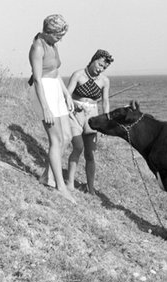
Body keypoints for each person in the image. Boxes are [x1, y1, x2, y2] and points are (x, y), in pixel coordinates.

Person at [28, 14, 75, 203]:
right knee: (56, 140)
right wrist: (45, 108)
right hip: (43, 92)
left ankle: (46, 176)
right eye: (58, 36)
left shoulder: (52, 44)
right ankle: (60, 186)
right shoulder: (37, 47)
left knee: (67, 137)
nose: (60, 39)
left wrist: (66, 93)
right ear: (48, 32)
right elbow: (38, 79)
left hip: (55, 88)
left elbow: (55, 72)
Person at [65, 49, 114, 195]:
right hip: (75, 114)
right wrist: (74, 105)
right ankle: (69, 183)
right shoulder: (78, 75)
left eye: (104, 67)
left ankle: (90, 187)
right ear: (93, 60)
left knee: (90, 154)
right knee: (78, 147)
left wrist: (106, 123)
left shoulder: (104, 81)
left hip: (93, 116)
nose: (100, 69)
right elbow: (66, 94)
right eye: (99, 64)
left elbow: (105, 102)